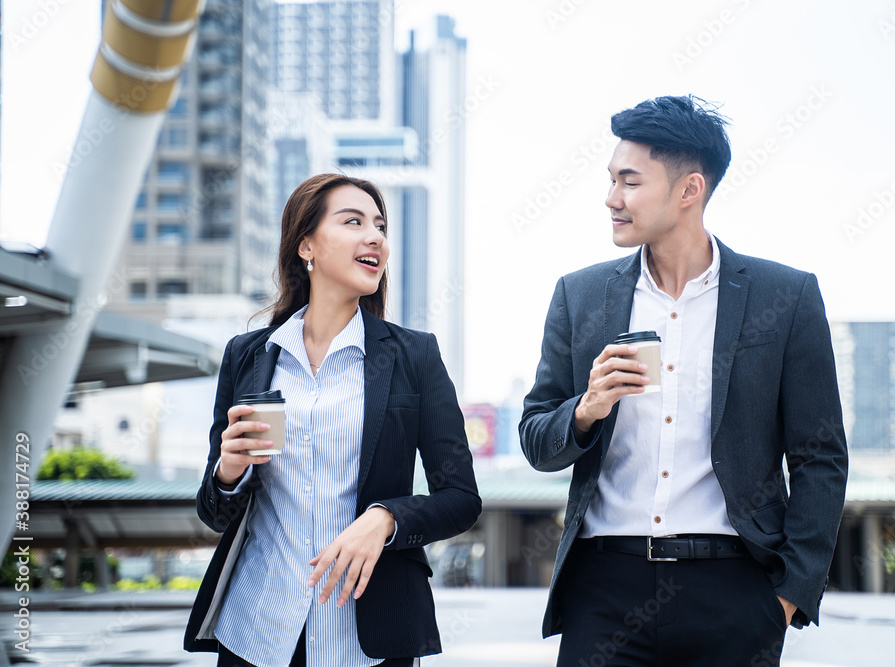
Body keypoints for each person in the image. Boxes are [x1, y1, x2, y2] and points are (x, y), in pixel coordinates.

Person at [519, 96, 849, 666]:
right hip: (604, 589)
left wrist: (788, 596)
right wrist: (586, 408)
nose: (611, 198)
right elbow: (535, 439)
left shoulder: (785, 297)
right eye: (611, 179)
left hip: (736, 594)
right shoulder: (580, 296)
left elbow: (820, 457)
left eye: (629, 181)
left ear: (689, 190)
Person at [184, 173, 481, 666]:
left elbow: (462, 500)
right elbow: (214, 513)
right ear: (307, 246)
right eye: (353, 221)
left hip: (368, 636)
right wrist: (228, 472)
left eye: (380, 226)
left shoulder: (414, 356)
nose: (375, 237)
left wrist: (387, 518)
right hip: (257, 632)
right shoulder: (248, 356)